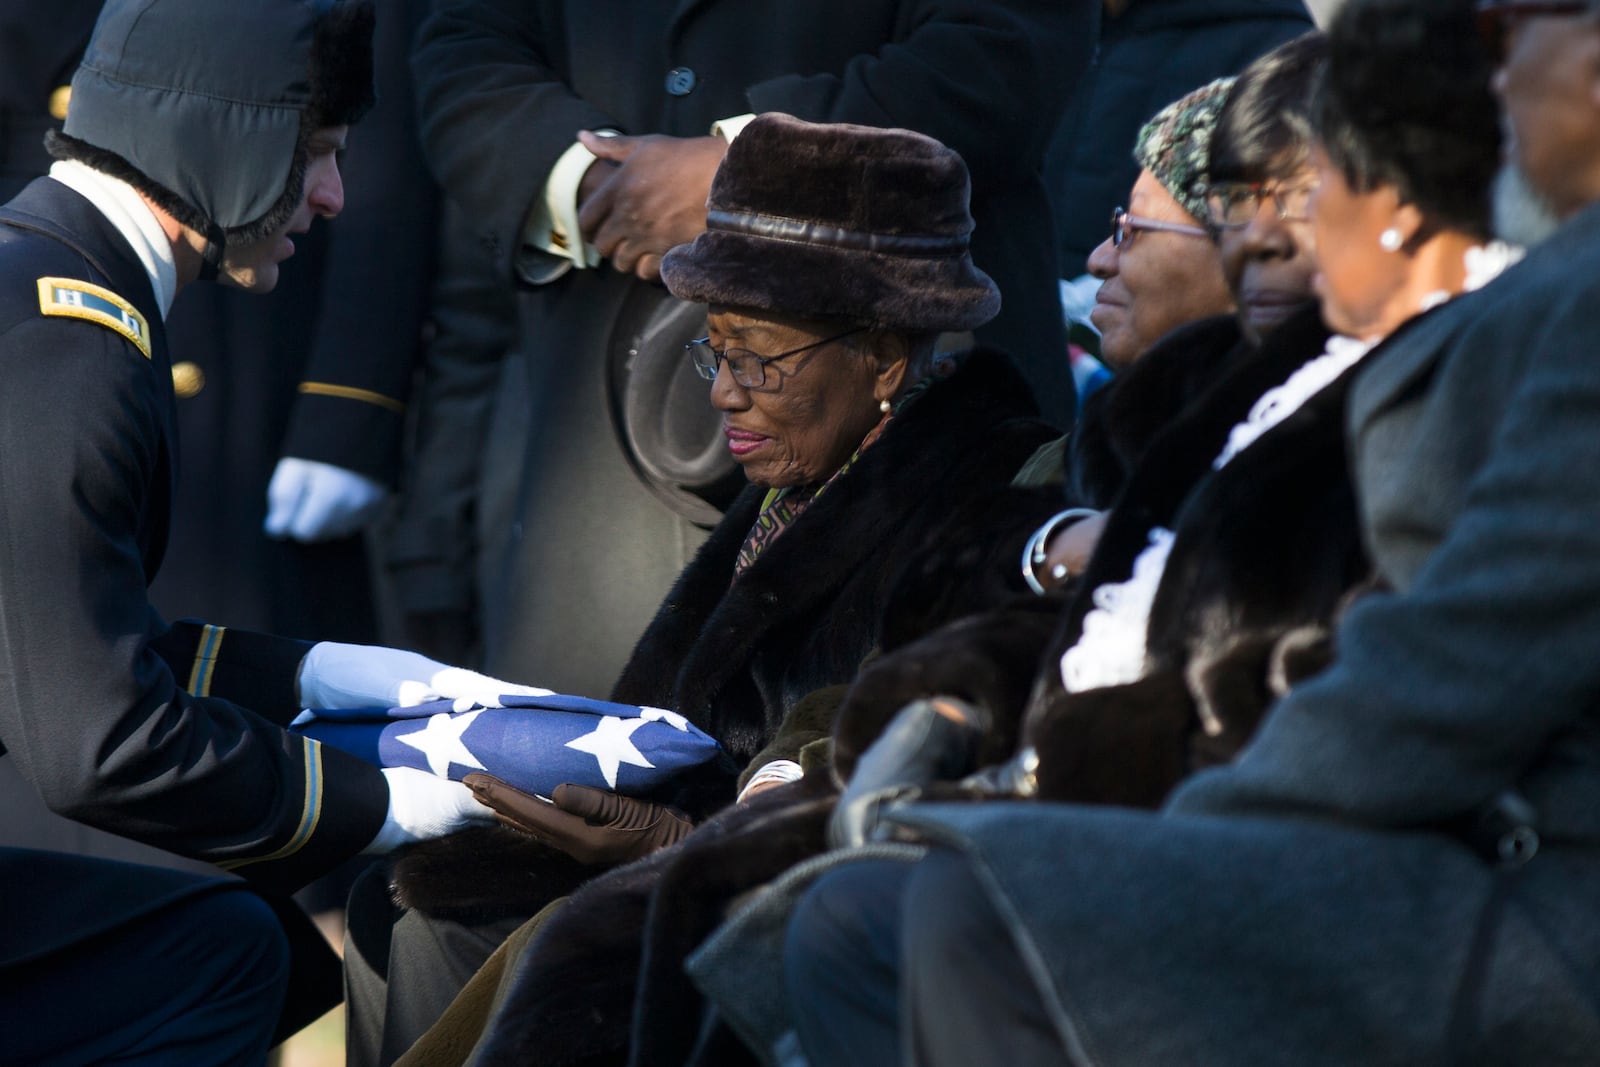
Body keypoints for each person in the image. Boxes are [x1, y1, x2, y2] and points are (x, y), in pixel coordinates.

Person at [786, 0, 1600, 1062]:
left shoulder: (1557, 307)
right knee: (814, 916)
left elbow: (1453, 661)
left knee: (953, 910)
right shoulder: (1519, 300)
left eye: (1303, 197)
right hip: (1403, 819)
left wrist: (1158, 821)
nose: (1261, 235)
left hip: (1521, 883)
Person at [344, 112, 1060, 1066]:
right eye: (713, 348)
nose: (725, 390)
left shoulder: (992, 496)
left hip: (797, 896)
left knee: (532, 953)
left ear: (886, 358)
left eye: (757, 356)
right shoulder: (805, 476)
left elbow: (871, 762)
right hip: (705, 852)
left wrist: (674, 843)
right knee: (406, 899)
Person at [0, 1, 532, 1059]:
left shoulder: (45, 278)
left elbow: (64, 637)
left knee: (235, 945)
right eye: (318, 153)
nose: (331, 195)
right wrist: (391, 802)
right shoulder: (76, 350)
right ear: (222, 138)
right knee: (224, 952)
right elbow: (97, 748)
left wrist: (325, 674)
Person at [397, 0, 1097, 712]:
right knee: (576, 772)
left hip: (911, 428)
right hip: (595, 449)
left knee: (875, 762)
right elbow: (465, 38)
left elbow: (1009, 44)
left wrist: (751, 176)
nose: (729, 388)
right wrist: (583, 181)